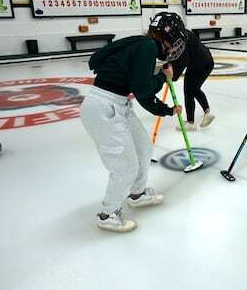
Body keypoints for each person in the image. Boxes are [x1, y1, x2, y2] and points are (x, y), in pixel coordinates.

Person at [80, 22, 183, 233]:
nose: (174, 49)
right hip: (103, 108)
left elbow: (141, 92)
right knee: (125, 167)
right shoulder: (148, 47)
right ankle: (107, 214)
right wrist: (163, 77)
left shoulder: (143, 46)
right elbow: (142, 88)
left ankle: (137, 194)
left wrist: (167, 110)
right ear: (167, 38)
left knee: (144, 148)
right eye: (175, 43)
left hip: (119, 105)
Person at [149, 12, 215, 131]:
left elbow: (173, 76)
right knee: (194, 89)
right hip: (204, 60)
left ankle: (190, 123)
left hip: (200, 65)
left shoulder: (181, 45)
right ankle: (207, 112)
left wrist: (163, 74)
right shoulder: (180, 35)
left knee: (189, 90)